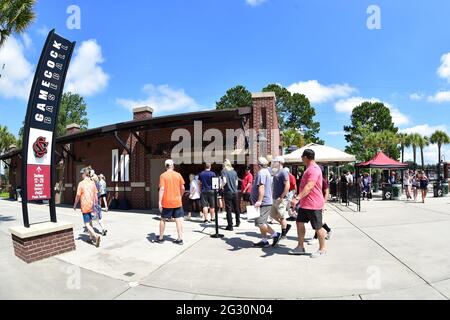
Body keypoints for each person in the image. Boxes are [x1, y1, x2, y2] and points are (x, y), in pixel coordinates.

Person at [289, 149, 326, 258]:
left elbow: (309, 186)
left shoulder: (313, 169)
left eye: (302, 157)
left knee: (318, 227)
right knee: (299, 223)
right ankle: (300, 247)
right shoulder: (309, 169)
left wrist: (297, 198)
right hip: (305, 204)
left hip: (313, 204)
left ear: (305, 157)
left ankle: (322, 249)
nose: (301, 159)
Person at [250, 157, 282, 248]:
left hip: (263, 202)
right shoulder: (266, 172)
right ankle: (264, 241)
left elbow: (261, 187)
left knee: (260, 222)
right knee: (261, 222)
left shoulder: (262, 173)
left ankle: (275, 234)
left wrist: (259, 201)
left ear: (258, 165)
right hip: (263, 201)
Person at [156, 159, 185, 245]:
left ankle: (161, 238)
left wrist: (159, 202)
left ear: (165, 166)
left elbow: (162, 188)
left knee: (163, 219)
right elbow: (183, 188)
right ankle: (180, 239)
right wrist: (180, 196)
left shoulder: (163, 176)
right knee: (178, 220)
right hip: (177, 201)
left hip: (166, 201)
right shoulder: (178, 175)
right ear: (173, 166)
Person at [73, 168, 101, 247]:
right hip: (92, 205)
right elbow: (96, 195)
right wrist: (96, 204)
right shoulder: (92, 183)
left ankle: (96, 236)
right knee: (90, 221)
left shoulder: (81, 183)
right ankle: (90, 237)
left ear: (84, 174)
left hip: (85, 205)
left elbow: (78, 195)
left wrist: (75, 204)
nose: (81, 175)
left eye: (82, 174)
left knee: (87, 223)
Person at [306, 170, 333, 245]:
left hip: (319, 202)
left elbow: (327, 192)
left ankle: (316, 237)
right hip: (313, 202)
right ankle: (329, 230)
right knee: (318, 220)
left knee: (317, 220)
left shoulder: (323, 180)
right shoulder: (313, 180)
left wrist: (323, 203)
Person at [270, 156, 292, 239]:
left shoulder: (283, 172)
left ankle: (283, 234)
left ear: (279, 162)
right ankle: (286, 226)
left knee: (282, 217)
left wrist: (282, 196)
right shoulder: (276, 172)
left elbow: (287, 185)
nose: (274, 163)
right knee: (272, 215)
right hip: (275, 198)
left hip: (281, 199)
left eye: (276, 162)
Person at [221, 159, 241, 231]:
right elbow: (236, 183)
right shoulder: (234, 172)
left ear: (224, 164)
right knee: (236, 207)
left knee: (228, 209)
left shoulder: (224, 171)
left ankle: (230, 226)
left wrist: (221, 186)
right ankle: (238, 222)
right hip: (235, 192)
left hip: (228, 192)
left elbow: (224, 181)